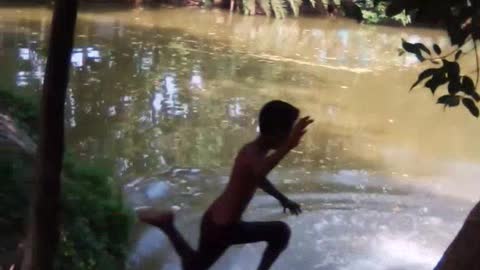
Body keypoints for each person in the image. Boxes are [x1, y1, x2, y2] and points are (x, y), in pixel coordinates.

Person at [137, 100, 314, 270]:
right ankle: (167, 225)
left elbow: (258, 178)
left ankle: (167, 225)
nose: (292, 137)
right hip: (220, 228)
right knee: (194, 267)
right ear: (276, 133)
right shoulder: (251, 153)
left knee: (280, 233)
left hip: (224, 223)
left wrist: (283, 199)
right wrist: (289, 146)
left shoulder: (257, 152)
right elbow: (260, 172)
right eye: (289, 132)